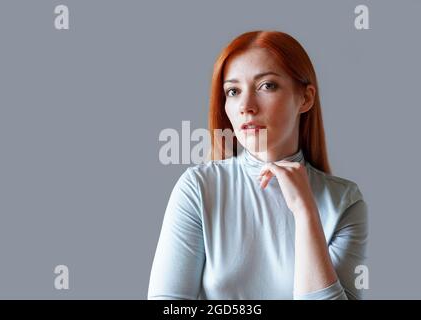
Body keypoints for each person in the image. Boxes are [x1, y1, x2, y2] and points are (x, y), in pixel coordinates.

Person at [148, 30, 368, 300]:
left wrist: (305, 212)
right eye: (233, 91)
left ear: (306, 98)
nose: (246, 106)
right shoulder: (198, 188)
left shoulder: (345, 202)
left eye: (267, 86)